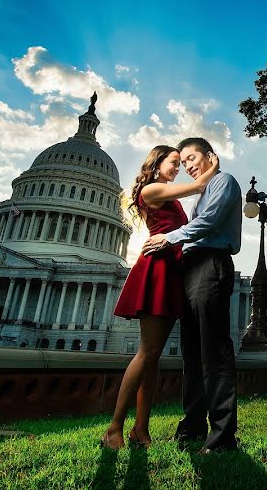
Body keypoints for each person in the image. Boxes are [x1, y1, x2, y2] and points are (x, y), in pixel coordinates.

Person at [100, 145, 219, 450]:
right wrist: (212, 164)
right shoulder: (153, 189)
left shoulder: (163, 191)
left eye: (180, 163)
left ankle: (141, 429)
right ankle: (114, 428)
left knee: (153, 357)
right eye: (174, 162)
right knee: (147, 352)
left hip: (170, 269)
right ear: (156, 164)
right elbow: (198, 186)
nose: (178, 167)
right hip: (157, 269)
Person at [142, 137, 242, 455]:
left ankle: (223, 437)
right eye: (183, 162)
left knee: (214, 352)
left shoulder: (224, 181)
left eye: (191, 158)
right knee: (192, 355)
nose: (187, 165)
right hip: (191, 269)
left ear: (209, 156)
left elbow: (208, 223)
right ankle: (192, 427)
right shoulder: (199, 194)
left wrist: (166, 239)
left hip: (210, 265)